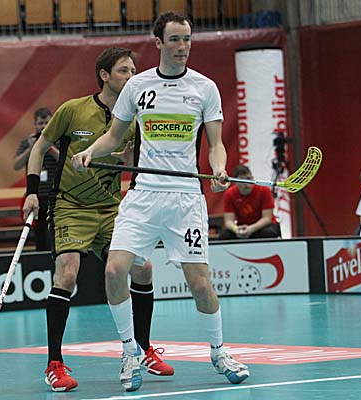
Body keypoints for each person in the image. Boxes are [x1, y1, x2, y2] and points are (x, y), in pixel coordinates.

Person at [72, 12, 250, 392]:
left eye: (187, 39)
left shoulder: (205, 88)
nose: (182, 47)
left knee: (200, 284)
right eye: (175, 40)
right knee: (114, 270)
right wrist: (89, 151)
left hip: (185, 199)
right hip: (144, 195)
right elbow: (114, 137)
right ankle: (129, 352)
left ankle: (219, 352)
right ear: (159, 43)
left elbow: (216, 145)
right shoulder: (138, 86)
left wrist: (219, 168)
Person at [22, 47, 173, 393]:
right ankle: (55, 364)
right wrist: (31, 192)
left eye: (133, 70)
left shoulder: (134, 119)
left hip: (111, 209)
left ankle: (143, 350)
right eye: (123, 71)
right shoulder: (73, 110)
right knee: (67, 273)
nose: (131, 77)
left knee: (143, 269)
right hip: (71, 206)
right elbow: (39, 148)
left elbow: (137, 164)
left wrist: (135, 176)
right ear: (104, 75)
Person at [14, 108, 57, 251]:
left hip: (54, 194)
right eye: (40, 123)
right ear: (35, 124)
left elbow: (66, 161)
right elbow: (16, 165)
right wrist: (33, 149)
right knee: (39, 232)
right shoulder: (28, 141)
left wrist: (50, 148)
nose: (43, 126)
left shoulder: (57, 140)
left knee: (54, 230)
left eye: (47, 123)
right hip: (35, 195)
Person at [219, 164, 281, 240]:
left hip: (261, 227)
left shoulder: (264, 190)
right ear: (235, 182)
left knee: (268, 232)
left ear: (252, 178)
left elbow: (267, 218)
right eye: (242, 181)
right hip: (242, 227)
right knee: (224, 235)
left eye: (248, 179)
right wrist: (236, 229)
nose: (246, 183)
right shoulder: (229, 194)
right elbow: (228, 221)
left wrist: (251, 229)